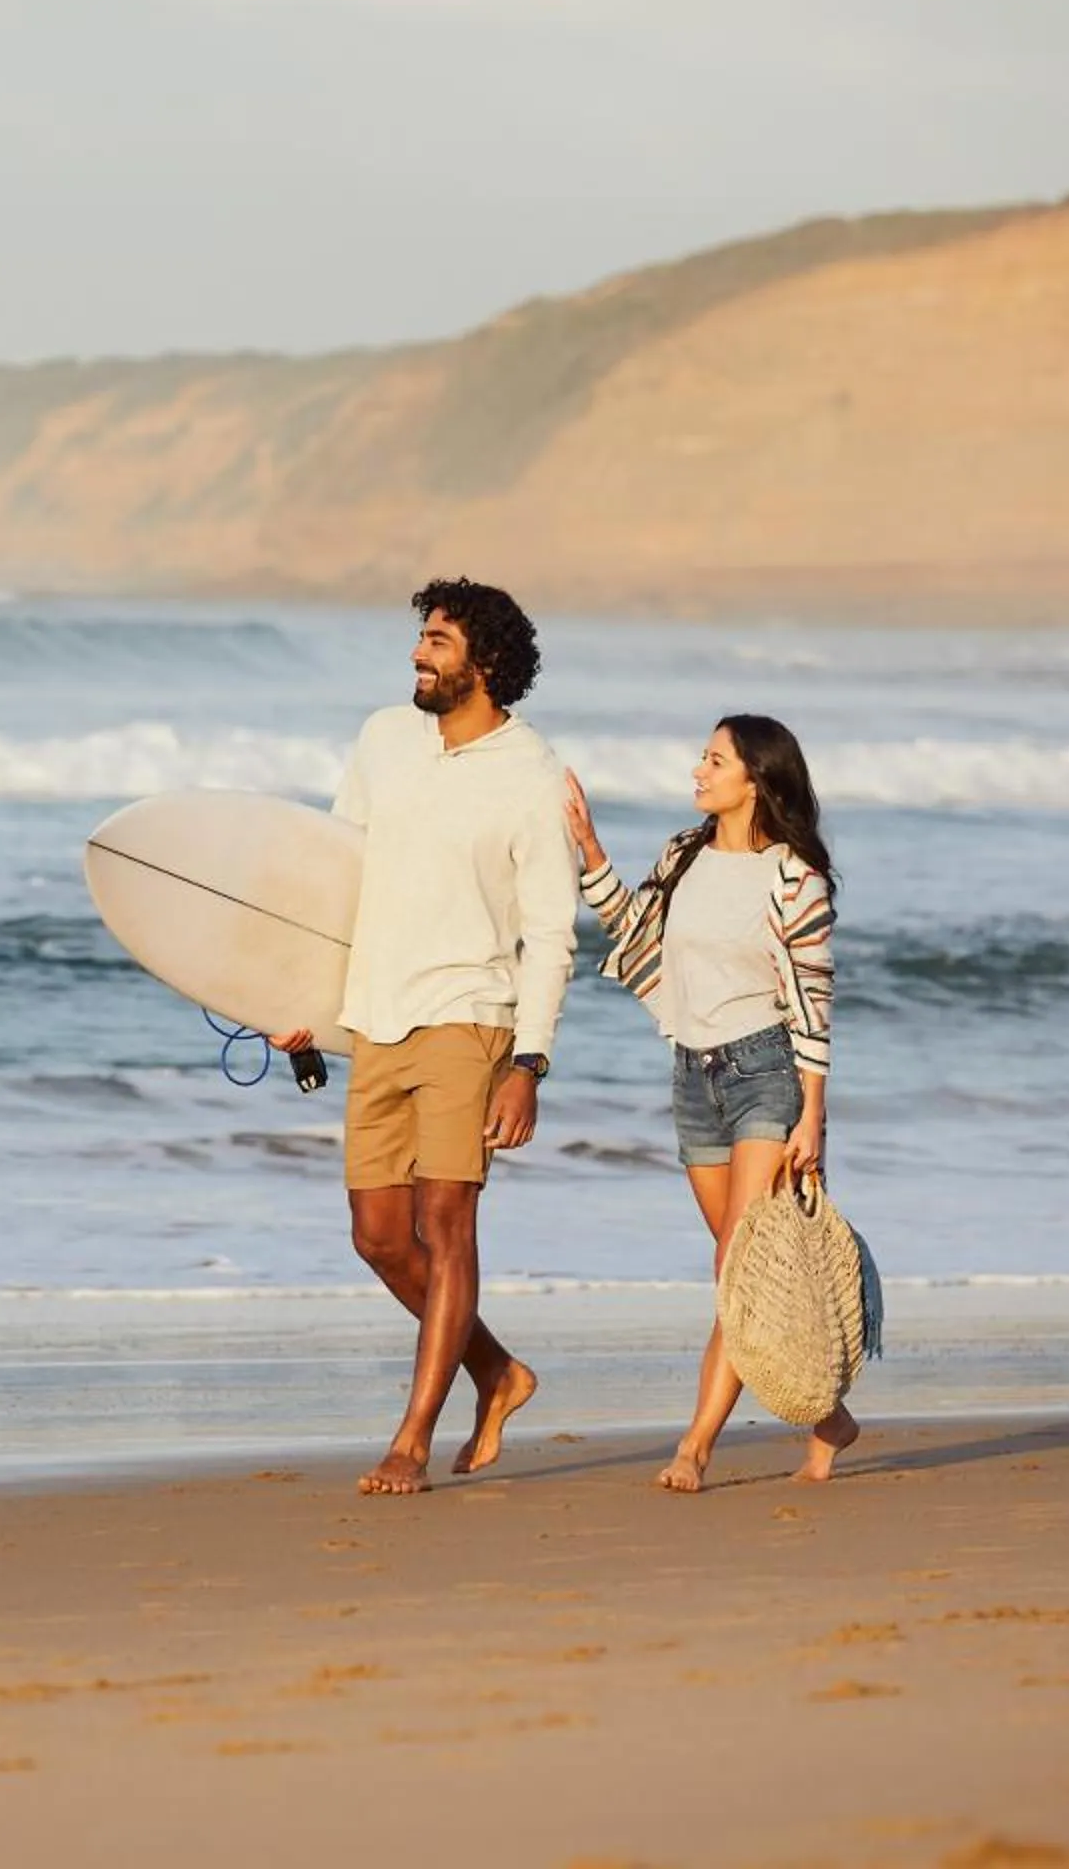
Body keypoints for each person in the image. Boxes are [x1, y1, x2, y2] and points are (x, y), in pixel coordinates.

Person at [271, 579, 576, 1497]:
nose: (417, 654)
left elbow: (551, 933)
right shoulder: (384, 739)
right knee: (376, 1236)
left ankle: (411, 1439)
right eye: (421, 638)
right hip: (375, 1013)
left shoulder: (531, 776)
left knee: (445, 1225)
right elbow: (335, 879)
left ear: (486, 663)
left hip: (470, 1016)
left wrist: (529, 1063)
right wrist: (298, 1005)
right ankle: (497, 1372)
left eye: (438, 642)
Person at [562, 715, 855, 1492]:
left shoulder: (794, 879)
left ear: (755, 780)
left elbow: (813, 1001)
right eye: (703, 757)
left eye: (715, 760)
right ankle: (828, 1418)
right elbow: (634, 933)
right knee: (748, 1279)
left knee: (733, 1268)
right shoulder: (683, 854)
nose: (699, 770)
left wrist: (812, 1114)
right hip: (693, 1077)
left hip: (766, 1075)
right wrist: (590, 849)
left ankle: (694, 1447)